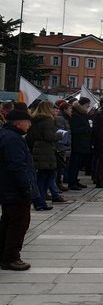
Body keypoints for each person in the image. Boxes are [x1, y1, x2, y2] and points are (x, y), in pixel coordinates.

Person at [0, 110, 36, 270]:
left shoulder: (7, 135)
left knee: (8, 221)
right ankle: (11, 257)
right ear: (18, 123)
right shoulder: (12, 139)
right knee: (19, 223)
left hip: (8, 187)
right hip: (14, 188)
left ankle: (4, 255)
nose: (29, 125)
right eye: (27, 122)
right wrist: (26, 186)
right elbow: (17, 166)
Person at [27, 101, 66, 209]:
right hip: (45, 150)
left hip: (37, 148)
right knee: (47, 176)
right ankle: (40, 202)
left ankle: (38, 201)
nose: (55, 110)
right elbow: (49, 136)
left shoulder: (34, 119)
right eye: (53, 108)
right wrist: (59, 135)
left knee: (41, 176)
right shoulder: (48, 120)